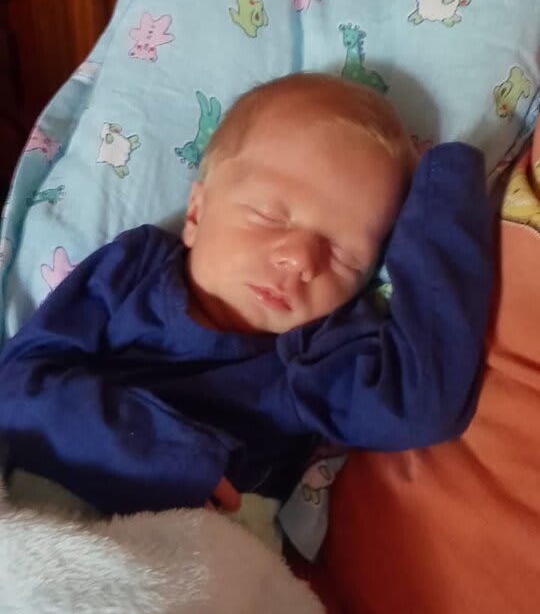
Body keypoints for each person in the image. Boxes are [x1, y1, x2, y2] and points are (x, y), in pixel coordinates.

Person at [0, 73, 492, 516]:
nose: (301, 260)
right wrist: (162, 460)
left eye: (345, 257)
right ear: (196, 214)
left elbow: (421, 406)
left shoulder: (320, 350)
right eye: (270, 216)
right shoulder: (133, 270)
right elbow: (16, 387)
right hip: (46, 498)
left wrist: (443, 197)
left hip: (197, 551)